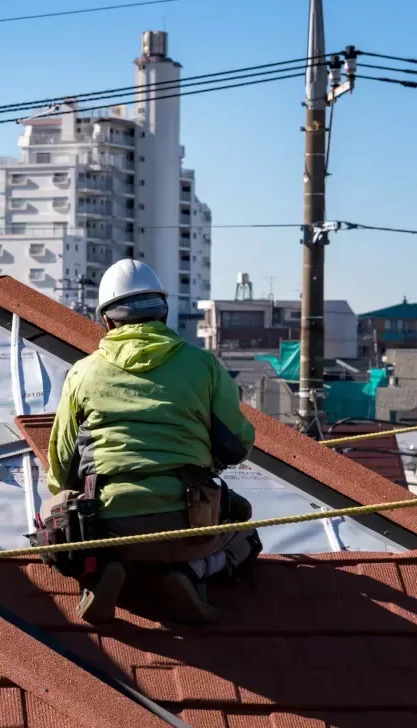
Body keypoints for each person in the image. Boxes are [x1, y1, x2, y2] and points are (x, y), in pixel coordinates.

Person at [46, 259, 258, 625]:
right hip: (189, 522)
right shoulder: (203, 365)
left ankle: (95, 573)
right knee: (247, 536)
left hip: (109, 527)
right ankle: (194, 572)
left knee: (53, 520)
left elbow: (62, 466)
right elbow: (236, 445)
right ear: (164, 311)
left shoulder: (83, 372)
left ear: (107, 320)